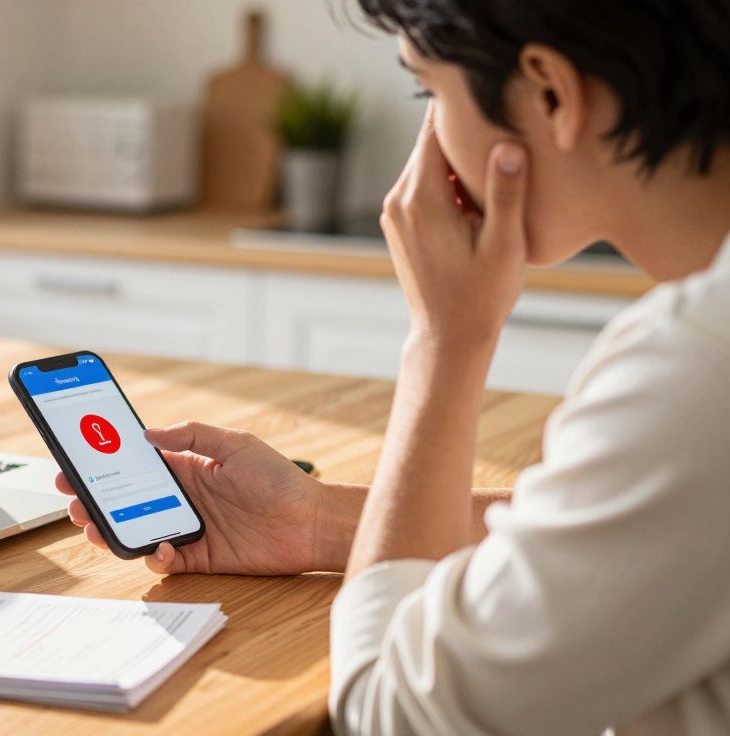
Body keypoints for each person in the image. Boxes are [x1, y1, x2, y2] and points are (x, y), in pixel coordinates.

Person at [54, 1, 730, 733]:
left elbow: (391, 715)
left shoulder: (698, 365)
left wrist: (444, 342)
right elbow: (618, 543)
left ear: (551, 95)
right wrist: (316, 522)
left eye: (428, 92)